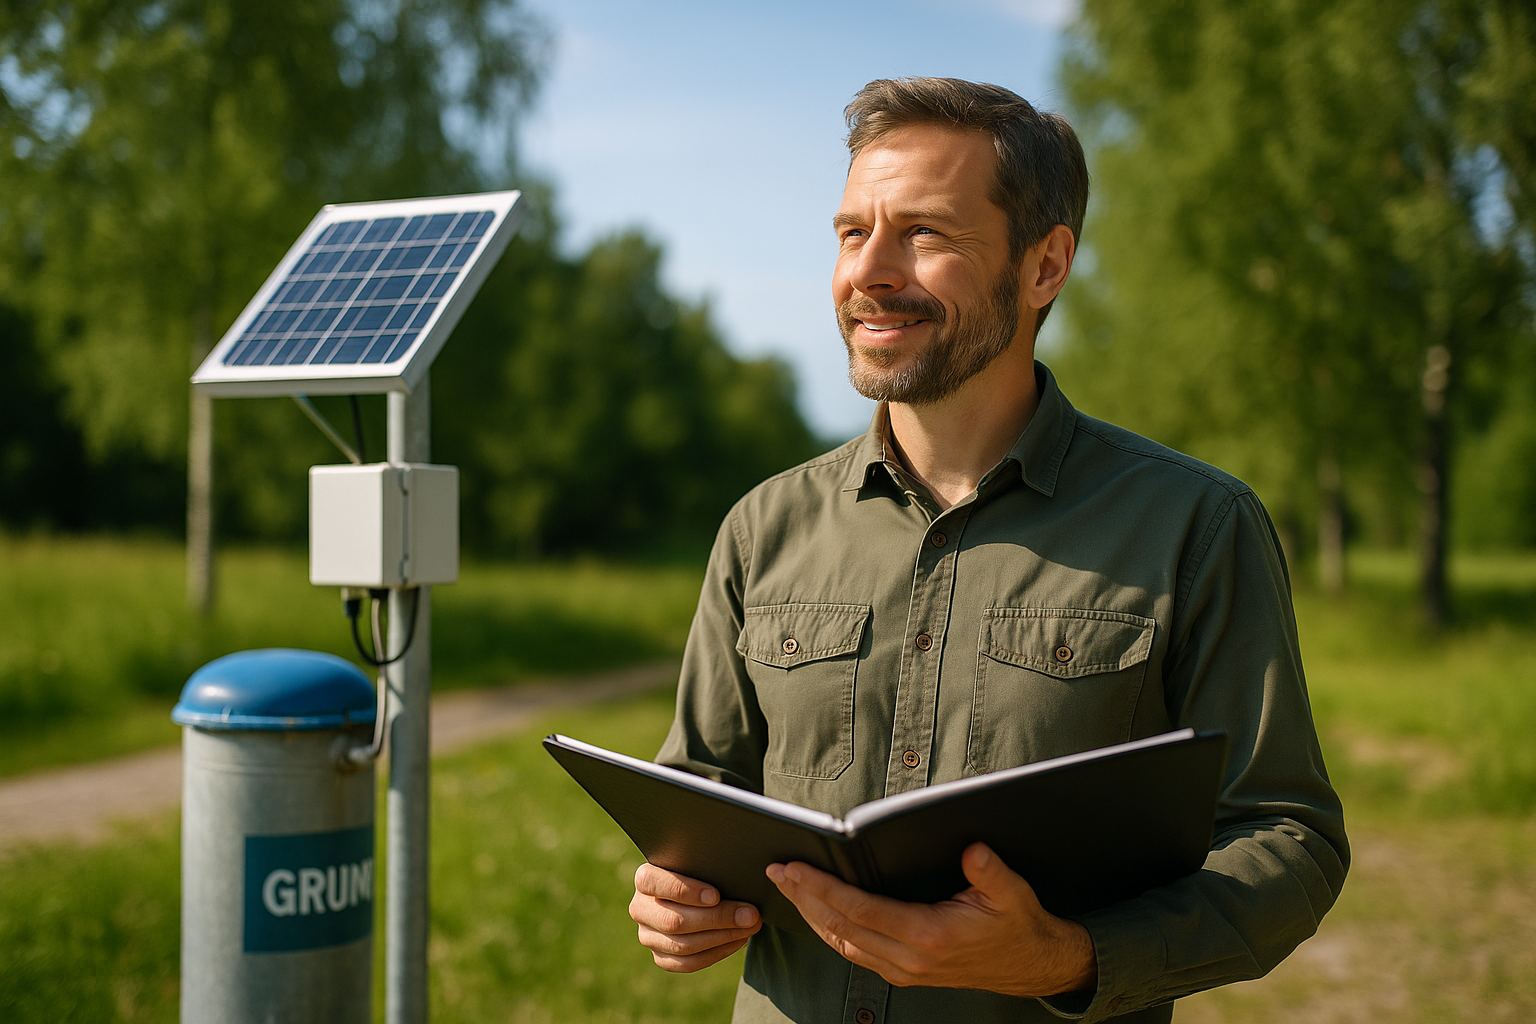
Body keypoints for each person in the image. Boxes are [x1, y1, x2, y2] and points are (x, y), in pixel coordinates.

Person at [628, 77, 1348, 1024]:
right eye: (852, 233)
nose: (868, 272)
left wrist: (1068, 959)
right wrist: (674, 902)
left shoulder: (1195, 526)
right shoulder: (763, 528)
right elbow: (698, 798)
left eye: (923, 233)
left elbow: (1287, 840)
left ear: (1045, 265)